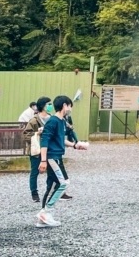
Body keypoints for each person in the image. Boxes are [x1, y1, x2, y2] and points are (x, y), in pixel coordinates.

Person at [36, 95, 87, 228]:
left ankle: (44, 216)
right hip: (52, 157)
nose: (70, 109)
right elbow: (45, 140)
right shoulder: (53, 121)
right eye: (70, 106)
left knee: (53, 185)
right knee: (62, 183)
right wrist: (43, 160)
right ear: (65, 105)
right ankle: (46, 211)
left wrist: (75, 145)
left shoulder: (61, 121)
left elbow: (60, 140)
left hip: (57, 156)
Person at [22, 96, 51, 203]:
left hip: (49, 149)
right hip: (36, 150)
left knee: (51, 171)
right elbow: (25, 135)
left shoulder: (52, 118)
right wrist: (37, 134)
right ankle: (34, 193)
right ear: (43, 106)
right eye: (48, 104)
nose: (50, 106)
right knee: (35, 172)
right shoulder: (34, 121)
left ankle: (50, 191)